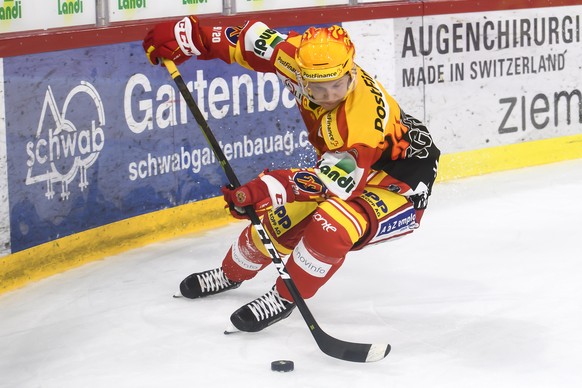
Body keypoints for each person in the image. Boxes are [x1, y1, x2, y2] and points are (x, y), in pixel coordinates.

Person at [143, 16, 440, 333]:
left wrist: (264, 189)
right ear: (300, 74)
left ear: (351, 73)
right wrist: (190, 36)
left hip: (400, 184)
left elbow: (331, 184)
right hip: (345, 168)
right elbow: (244, 40)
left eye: (337, 85)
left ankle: (283, 298)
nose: (328, 95)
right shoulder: (292, 56)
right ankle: (231, 273)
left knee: (331, 225)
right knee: (276, 224)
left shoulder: (359, 124)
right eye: (317, 88)